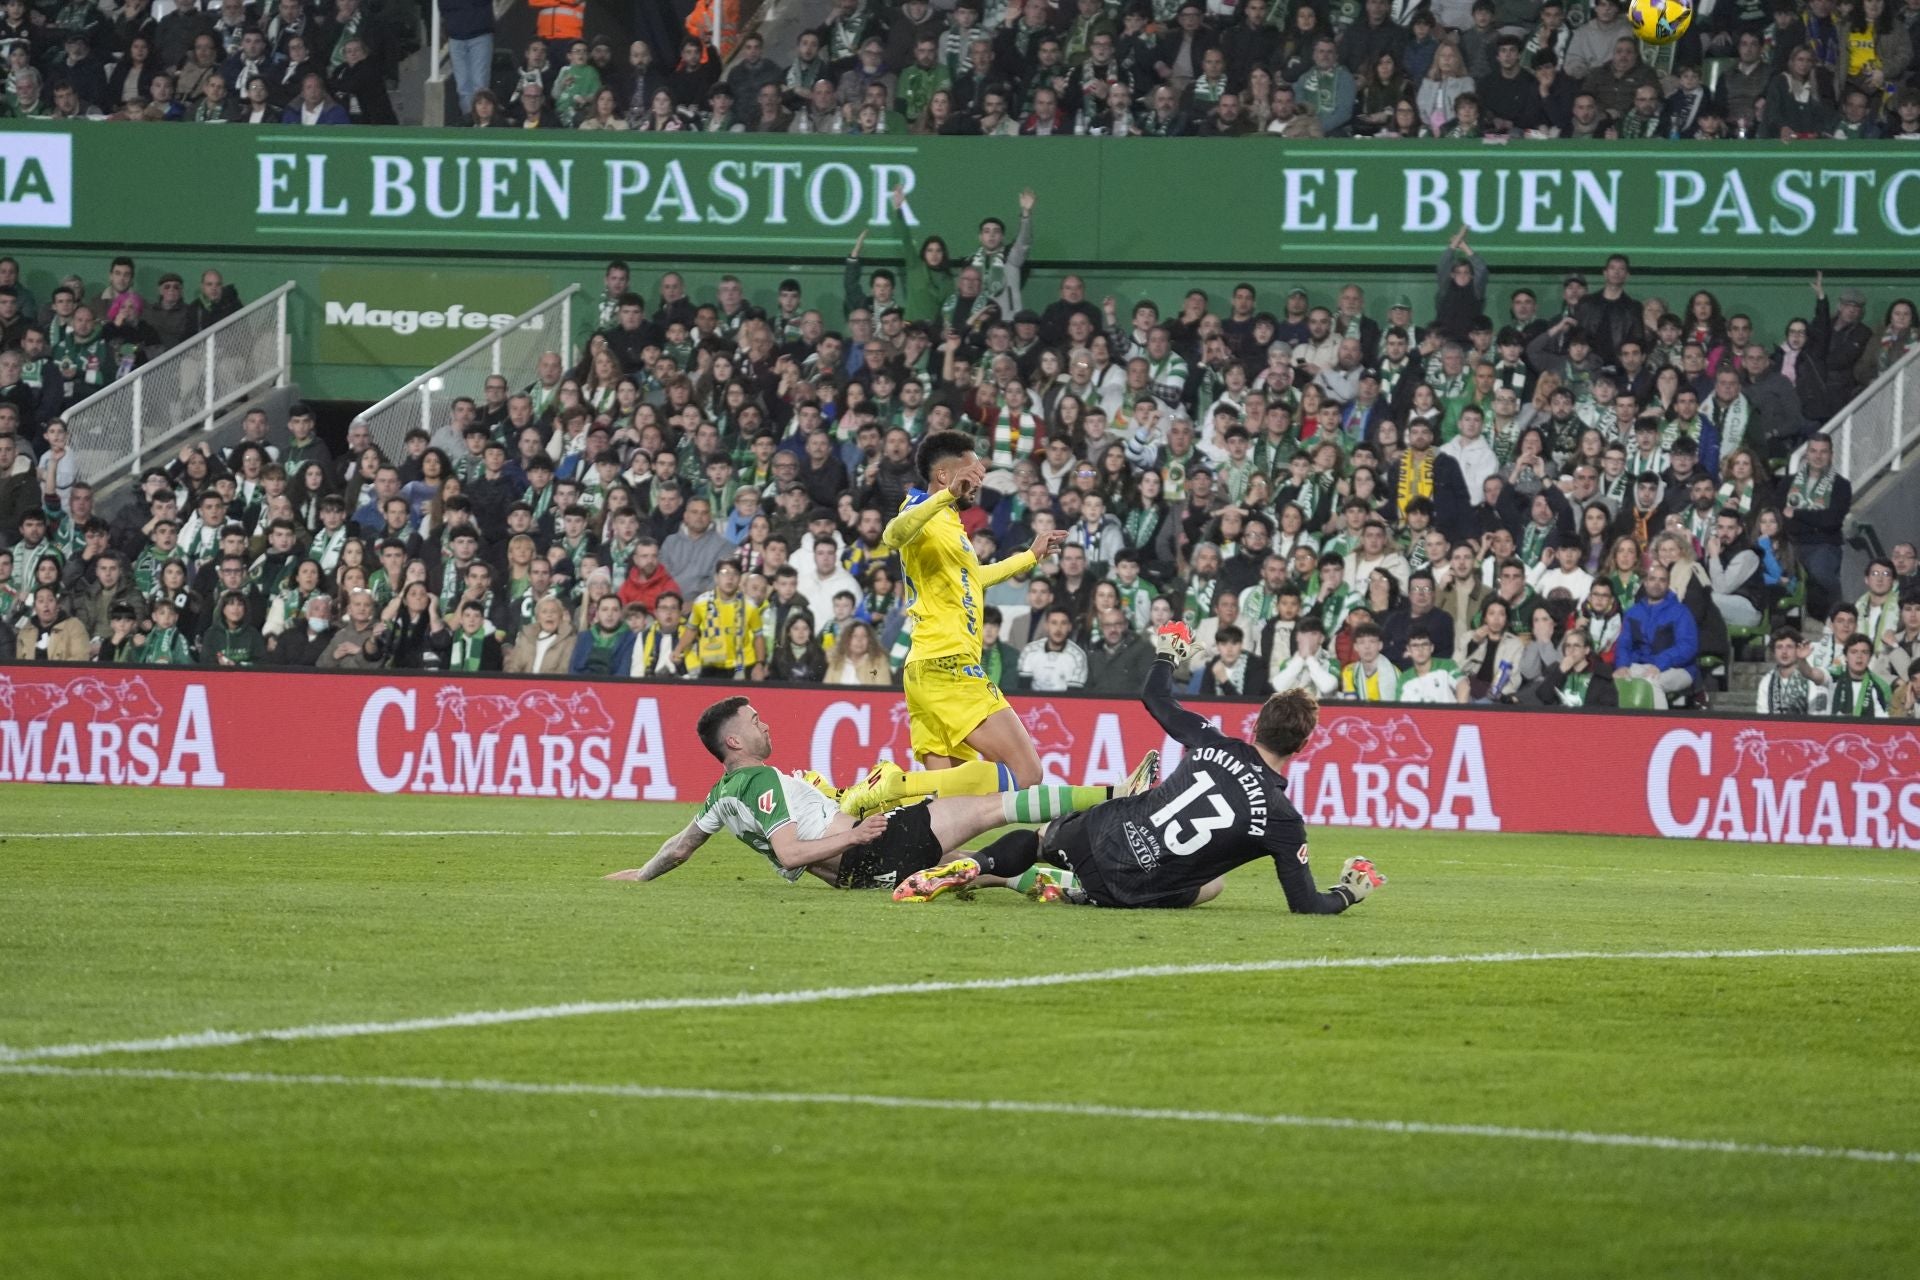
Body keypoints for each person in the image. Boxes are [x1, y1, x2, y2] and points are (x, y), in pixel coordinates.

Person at [972, 623, 1383, 911]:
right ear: (1303, 746)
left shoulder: (1211, 740)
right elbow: (1305, 903)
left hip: (1098, 834)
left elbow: (1156, 698)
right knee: (1213, 884)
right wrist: (1348, 893)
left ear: (1256, 724)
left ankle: (974, 865)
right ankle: (1059, 888)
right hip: (1128, 887)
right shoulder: (1282, 820)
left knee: (1040, 839)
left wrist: (1168, 654)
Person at [602, 696, 1150, 901]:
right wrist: (857, 829)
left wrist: (639, 875)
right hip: (872, 847)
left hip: (858, 876)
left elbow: (679, 848)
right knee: (991, 805)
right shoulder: (759, 782)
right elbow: (792, 854)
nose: (764, 724)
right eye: (754, 721)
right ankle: (1116, 795)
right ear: (735, 741)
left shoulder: (722, 797)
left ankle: (1060, 886)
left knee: (967, 868)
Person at [850, 430, 1067, 813]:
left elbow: (973, 580)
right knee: (1029, 774)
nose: (977, 485)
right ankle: (894, 787)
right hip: (948, 664)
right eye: (971, 476)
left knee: (950, 808)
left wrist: (1030, 556)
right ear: (945, 477)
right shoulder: (920, 506)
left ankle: (935, 854)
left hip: (924, 668)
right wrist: (946, 496)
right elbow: (892, 534)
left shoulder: (949, 524)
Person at [1616, 562, 1698, 709]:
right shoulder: (1633, 612)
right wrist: (1622, 665)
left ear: (1668, 584)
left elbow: (1688, 646)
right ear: (1645, 583)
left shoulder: (1681, 612)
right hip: (1642, 665)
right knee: (1618, 679)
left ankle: (1659, 727)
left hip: (1678, 669)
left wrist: (1660, 664)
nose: (1657, 584)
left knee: (1652, 681)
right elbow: (1624, 644)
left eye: (1662, 580)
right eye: (1653, 579)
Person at [1755, 628, 1830, 715]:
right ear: (1774, 652)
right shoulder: (1767, 681)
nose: (1784, 652)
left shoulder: (1811, 678)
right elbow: (1762, 715)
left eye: (1789, 647)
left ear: (1797, 649)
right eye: (1779, 647)